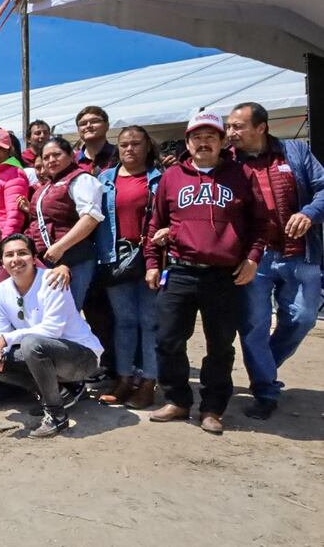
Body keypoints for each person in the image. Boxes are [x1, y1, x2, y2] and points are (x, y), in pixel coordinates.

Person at [144, 112, 266, 435]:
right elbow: (155, 223)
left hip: (223, 276)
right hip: (181, 271)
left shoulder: (240, 175)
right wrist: (152, 262)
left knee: (221, 345)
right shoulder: (172, 176)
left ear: (223, 141)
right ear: (187, 143)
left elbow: (260, 223)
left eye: (211, 136)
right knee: (168, 338)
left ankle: (212, 407)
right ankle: (177, 399)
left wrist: (253, 258)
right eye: (197, 137)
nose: (203, 142)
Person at [227, 102, 324, 420]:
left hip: (301, 253)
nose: (231, 132)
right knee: (253, 324)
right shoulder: (229, 162)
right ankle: (265, 390)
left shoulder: (295, 152)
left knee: (303, 317)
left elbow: (323, 188)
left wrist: (310, 212)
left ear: (260, 127)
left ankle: (263, 364)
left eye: (238, 126)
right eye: (229, 126)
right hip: (256, 257)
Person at [0, 234, 104, 437]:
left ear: (33, 257)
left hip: (82, 357)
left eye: (22, 253)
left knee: (31, 344)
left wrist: (7, 339)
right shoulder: (0, 292)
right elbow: (0, 331)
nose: (16, 259)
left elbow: (52, 330)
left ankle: (57, 416)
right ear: (1, 261)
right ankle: (61, 394)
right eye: (9, 255)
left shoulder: (52, 280)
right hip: (47, 355)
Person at [0, 216, 71, 407]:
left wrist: (64, 268)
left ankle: (59, 387)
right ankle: (33, 385)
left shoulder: (13, 261)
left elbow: (44, 273)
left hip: (18, 335)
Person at [93, 126, 162, 408]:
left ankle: (148, 382)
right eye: (124, 145)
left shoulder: (160, 179)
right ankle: (123, 379)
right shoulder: (105, 179)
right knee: (123, 322)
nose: (130, 149)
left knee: (149, 322)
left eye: (136, 144)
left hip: (150, 259)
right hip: (115, 258)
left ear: (147, 146)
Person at [25, 136, 104, 307]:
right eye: (46, 157)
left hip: (75, 258)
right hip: (48, 261)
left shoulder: (81, 180)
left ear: (71, 155)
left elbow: (91, 218)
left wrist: (60, 247)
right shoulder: (46, 187)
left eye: (56, 155)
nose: (51, 160)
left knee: (67, 315)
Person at [74, 106, 118, 174]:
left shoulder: (119, 154)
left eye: (94, 121)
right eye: (83, 123)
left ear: (107, 125)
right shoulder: (72, 160)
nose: (88, 126)